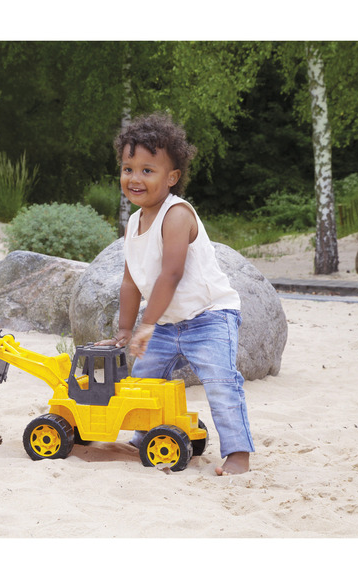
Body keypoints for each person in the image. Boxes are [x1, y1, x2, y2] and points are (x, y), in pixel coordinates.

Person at [97, 112, 254, 475]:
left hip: (209, 317)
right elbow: (130, 282)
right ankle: (144, 438)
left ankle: (238, 454)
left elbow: (172, 273)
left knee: (221, 382)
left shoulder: (177, 214)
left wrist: (147, 324)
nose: (135, 178)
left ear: (172, 177)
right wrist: (125, 330)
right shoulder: (133, 223)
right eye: (127, 169)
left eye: (147, 170)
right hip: (166, 325)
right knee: (143, 381)